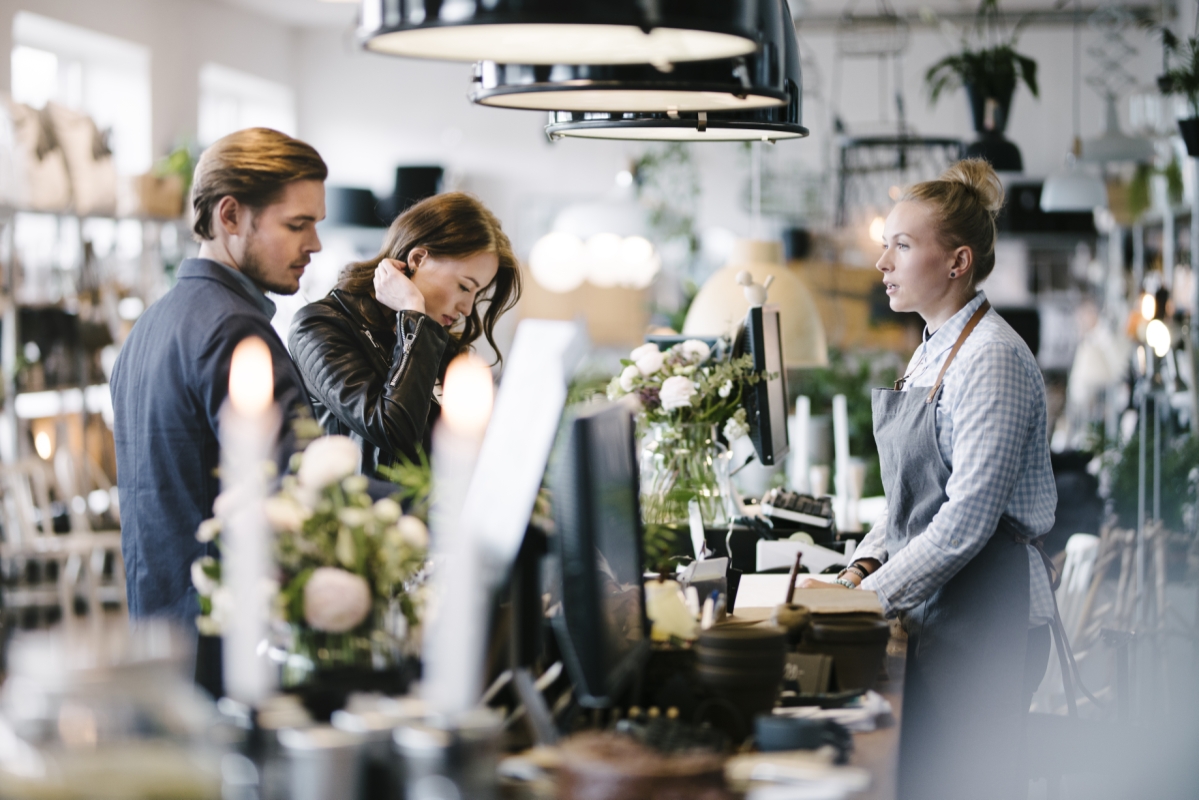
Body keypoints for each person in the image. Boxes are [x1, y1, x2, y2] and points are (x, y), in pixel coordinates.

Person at [801, 160, 1056, 800]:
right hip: (944, 608)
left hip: (988, 617)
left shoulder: (990, 358)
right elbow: (912, 499)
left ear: (957, 261)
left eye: (903, 245)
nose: (882, 262)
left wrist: (864, 605)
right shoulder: (933, 349)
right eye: (886, 244)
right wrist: (859, 569)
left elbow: (965, 521)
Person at [111, 128, 325, 680]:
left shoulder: (154, 324)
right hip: (228, 644)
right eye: (297, 224)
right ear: (230, 216)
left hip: (162, 634)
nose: (315, 244)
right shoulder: (233, 329)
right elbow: (307, 486)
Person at [288, 192, 521, 473]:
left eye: (477, 293)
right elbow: (394, 433)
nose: (468, 309)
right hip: (368, 512)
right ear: (419, 259)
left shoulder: (434, 338)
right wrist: (413, 312)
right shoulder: (320, 326)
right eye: (464, 287)